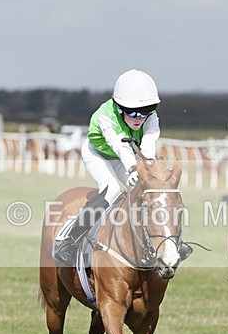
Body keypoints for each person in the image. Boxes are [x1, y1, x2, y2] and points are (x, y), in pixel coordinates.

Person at [53, 69, 161, 263]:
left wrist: (148, 169)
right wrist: (133, 168)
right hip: (98, 154)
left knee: (146, 191)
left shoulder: (150, 117)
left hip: (122, 158)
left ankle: (160, 243)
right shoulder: (106, 116)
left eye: (145, 112)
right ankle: (66, 238)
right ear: (119, 107)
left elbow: (149, 144)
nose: (139, 118)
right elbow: (120, 146)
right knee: (111, 190)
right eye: (133, 112)